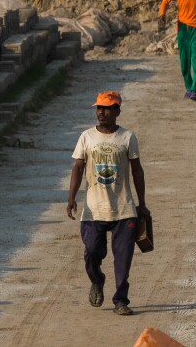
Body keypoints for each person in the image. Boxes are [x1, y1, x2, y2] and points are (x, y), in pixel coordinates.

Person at [67, 90, 149, 316]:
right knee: (92, 251)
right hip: (94, 210)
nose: (101, 112)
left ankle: (121, 300)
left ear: (117, 111)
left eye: (107, 108)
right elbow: (78, 167)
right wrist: (71, 198)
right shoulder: (86, 137)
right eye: (98, 108)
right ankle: (97, 279)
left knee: (123, 259)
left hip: (123, 209)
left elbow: (137, 171)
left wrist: (141, 204)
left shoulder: (127, 138)